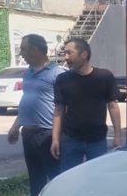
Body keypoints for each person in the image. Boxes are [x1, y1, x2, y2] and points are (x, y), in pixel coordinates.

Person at [51, 37, 122, 172]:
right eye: (65, 53)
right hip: (71, 139)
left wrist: (117, 136)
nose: (66, 57)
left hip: (97, 140)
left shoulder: (104, 76)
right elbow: (59, 110)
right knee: (69, 178)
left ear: (84, 54)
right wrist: (55, 139)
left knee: (97, 177)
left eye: (69, 53)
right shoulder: (63, 79)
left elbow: (113, 106)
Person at [7, 34, 62, 196]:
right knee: (35, 179)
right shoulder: (28, 73)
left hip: (48, 135)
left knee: (55, 179)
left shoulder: (58, 73)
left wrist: (57, 136)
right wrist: (15, 126)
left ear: (35, 49)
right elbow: (27, 101)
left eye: (23, 49)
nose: (21, 53)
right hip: (28, 134)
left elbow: (63, 107)